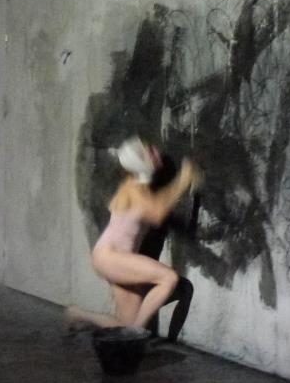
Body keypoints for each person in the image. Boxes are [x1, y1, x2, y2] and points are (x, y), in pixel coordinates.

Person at [67, 137, 202, 332]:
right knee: (168, 278)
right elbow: (157, 213)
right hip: (110, 257)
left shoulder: (141, 188)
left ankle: (78, 314)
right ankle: (136, 332)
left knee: (126, 322)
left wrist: (183, 182)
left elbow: (159, 202)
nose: (155, 151)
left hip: (114, 258)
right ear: (141, 163)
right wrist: (183, 180)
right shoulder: (133, 187)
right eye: (149, 152)